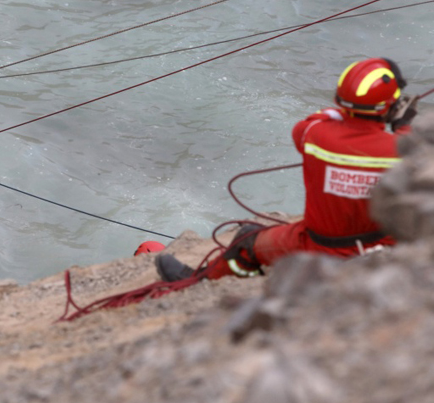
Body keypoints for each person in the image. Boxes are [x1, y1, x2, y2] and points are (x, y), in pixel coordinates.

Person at [156, 58, 418, 282]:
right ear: (390, 106)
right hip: (381, 246)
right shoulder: (400, 149)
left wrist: (348, 111)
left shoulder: (314, 134)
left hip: (318, 245)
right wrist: (403, 124)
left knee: (246, 242)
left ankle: (203, 281)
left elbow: (316, 120)